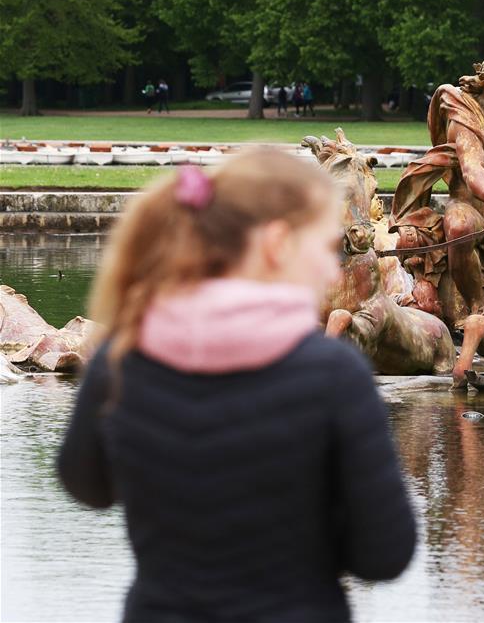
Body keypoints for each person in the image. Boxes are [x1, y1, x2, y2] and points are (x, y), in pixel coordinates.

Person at [57, 149, 416, 622]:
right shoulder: (332, 374)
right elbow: (385, 554)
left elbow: (85, 485)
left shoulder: (122, 358)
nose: (333, 269)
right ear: (277, 244)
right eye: (325, 247)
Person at [389, 54, 484, 319]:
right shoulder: (466, 116)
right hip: (468, 199)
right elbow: (471, 168)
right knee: (459, 228)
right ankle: (476, 306)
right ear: (483, 86)